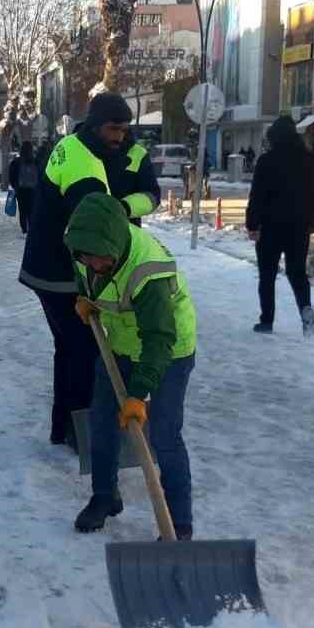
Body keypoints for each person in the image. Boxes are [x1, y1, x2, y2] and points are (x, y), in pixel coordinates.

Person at [20, 93, 161, 448]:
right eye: (113, 129)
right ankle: (81, 435)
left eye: (125, 129)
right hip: (61, 273)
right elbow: (92, 240)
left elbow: (150, 194)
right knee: (87, 352)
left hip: (46, 267)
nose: (120, 136)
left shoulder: (72, 146)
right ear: (96, 124)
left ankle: (63, 428)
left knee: (69, 349)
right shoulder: (86, 169)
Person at [65, 192, 197, 540]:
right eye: (87, 258)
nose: (94, 265)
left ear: (117, 242)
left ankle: (178, 525)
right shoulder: (83, 252)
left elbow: (158, 339)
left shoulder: (147, 270)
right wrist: (86, 298)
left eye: (101, 259)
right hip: (121, 345)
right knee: (102, 420)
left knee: (165, 434)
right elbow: (84, 274)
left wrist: (139, 393)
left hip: (169, 349)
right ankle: (104, 497)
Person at [247, 115, 314, 336]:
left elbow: (257, 196)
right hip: (299, 227)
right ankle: (305, 311)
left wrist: (252, 225)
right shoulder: (311, 161)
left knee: (267, 275)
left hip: (270, 227)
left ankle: (266, 321)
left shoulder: (266, 161)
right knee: (297, 273)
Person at [8, 140, 40, 234]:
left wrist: (15, 186)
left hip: (20, 190)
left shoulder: (16, 161)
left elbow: (11, 175)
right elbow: (41, 175)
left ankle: (24, 228)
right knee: (31, 209)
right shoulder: (36, 161)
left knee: (22, 210)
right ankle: (31, 227)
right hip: (33, 190)